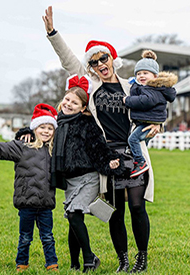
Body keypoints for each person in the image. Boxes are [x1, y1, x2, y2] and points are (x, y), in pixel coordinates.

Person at [42, 6, 161, 273]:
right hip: (109, 157)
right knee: (116, 212)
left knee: (137, 206)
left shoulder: (132, 86)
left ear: (112, 58)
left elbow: (157, 103)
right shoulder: (91, 85)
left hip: (135, 154)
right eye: (94, 62)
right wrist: (53, 34)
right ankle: (123, 260)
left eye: (102, 59)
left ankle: (141, 258)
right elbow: (68, 60)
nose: (99, 65)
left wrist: (157, 124)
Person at [0, 103, 59, 272]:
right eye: (42, 127)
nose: (46, 131)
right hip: (26, 202)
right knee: (25, 237)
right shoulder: (21, 146)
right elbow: (1, 149)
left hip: (46, 203)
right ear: (34, 129)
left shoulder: (53, 149)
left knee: (48, 237)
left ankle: (52, 264)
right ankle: (21, 264)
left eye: (50, 128)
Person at [51, 74, 125, 273]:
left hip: (88, 178)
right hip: (70, 180)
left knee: (74, 214)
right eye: (67, 99)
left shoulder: (87, 124)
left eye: (75, 103)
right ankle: (75, 264)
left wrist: (111, 162)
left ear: (83, 107)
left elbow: (98, 148)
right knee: (73, 220)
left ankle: (89, 259)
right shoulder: (58, 123)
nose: (69, 104)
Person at [123, 50, 177, 177]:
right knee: (141, 145)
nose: (141, 76)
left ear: (155, 76)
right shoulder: (146, 87)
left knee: (133, 139)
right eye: (139, 73)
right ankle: (138, 158)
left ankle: (140, 163)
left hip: (149, 122)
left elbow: (146, 101)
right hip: (149, 121)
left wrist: (127, 100)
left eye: (145, 73)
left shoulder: (151, 89)